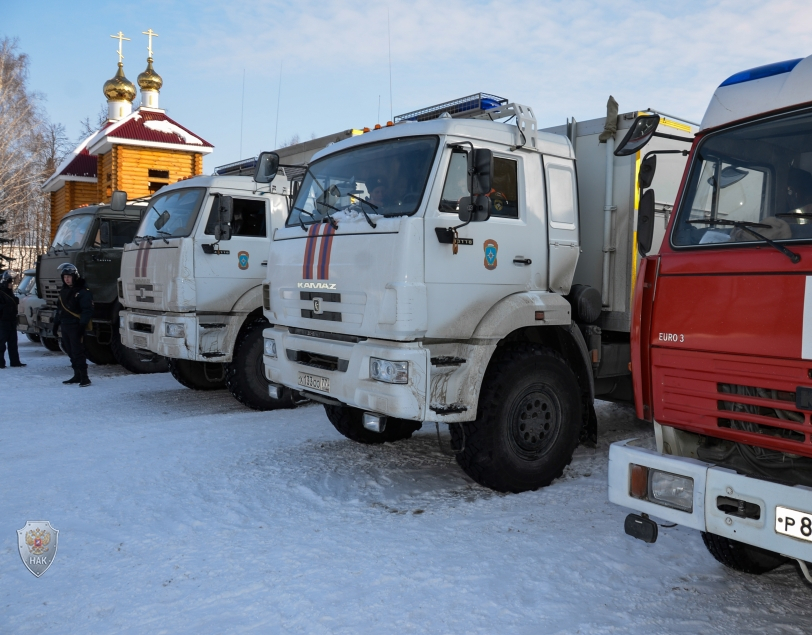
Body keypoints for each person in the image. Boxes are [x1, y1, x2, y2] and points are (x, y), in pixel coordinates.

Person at [53, 263, 93, 386]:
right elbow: (59, 309)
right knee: (69, 351)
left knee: (77, 351)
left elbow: (87, 310)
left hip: (75, 326)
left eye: (69, 276)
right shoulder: (64, 290)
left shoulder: (83, 291)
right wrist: (56, 324)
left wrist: (82, 325)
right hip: (65, 325)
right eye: (64, 277)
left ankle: (85, 377)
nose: (67, 279)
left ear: (75, 276)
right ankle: (77, 375)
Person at [0, 270, 25, 368]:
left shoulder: (9, 293)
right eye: (10, 283)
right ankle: (1, 363)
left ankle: (15, 362)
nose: (11, 284)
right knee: (1, 345)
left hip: (11, 321)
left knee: (13, 343)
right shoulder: (2, 293)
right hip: (3, 322)